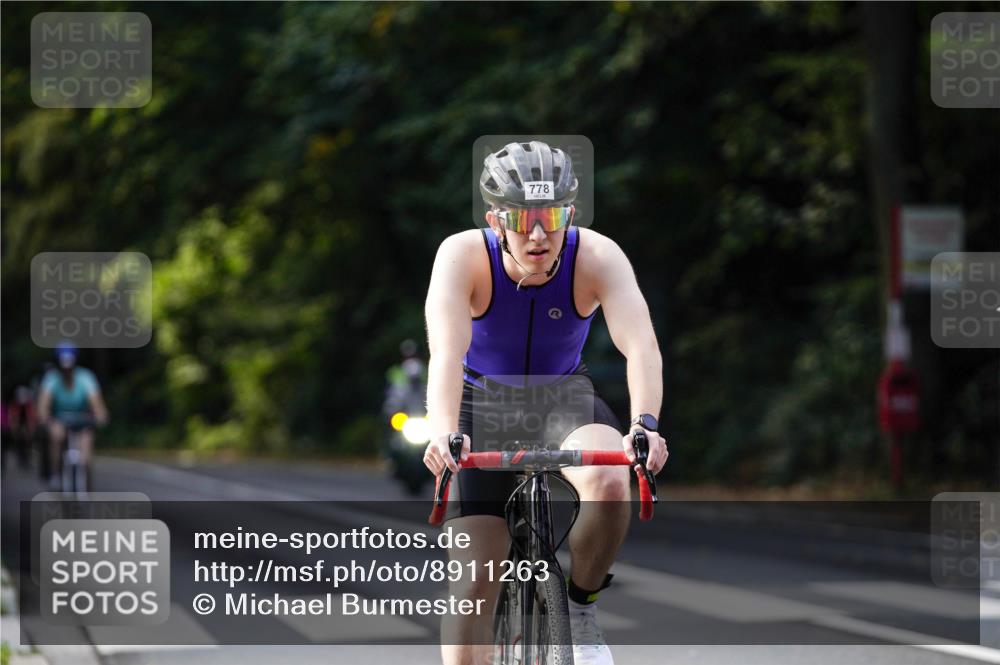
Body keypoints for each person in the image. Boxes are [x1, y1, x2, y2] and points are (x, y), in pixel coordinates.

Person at [423, 140, 668, 665]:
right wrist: (443, 430)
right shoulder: (462, 255)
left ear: (570, 214)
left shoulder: (597, 255)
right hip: (479, 403)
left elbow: (640, 343)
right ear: (495, 220)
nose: (538, 234)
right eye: (521, 219)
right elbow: (446, 352)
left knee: (608, 480)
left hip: (563, 399)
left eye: (552, 217)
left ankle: (580, 610)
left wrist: (645, 424)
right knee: (475, 578)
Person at [36, 341, 109, 490]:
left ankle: (86, 491)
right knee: (56, 436)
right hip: (59, 419)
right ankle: (56, 473)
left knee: (86, 457)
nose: (67, 370)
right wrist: (45, 418)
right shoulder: (52, 379)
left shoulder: (86, 377)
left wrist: (101, 414)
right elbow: (43, 404)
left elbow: (96, 402)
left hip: (82, 420)